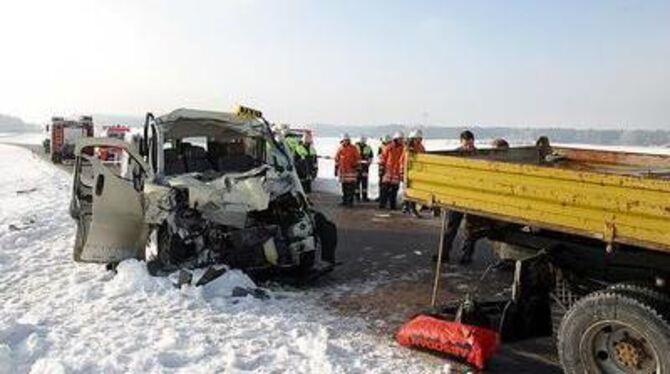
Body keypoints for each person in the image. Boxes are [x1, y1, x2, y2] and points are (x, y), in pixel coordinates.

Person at [435, 130, 477, 264]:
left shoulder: (479, 155)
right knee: (451, 227)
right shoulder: (455, 155)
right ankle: (444, 253)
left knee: (470, 228)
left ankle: (466, 255)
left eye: (471, 144)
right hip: (456, 196)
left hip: (473, 197)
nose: (469, 147)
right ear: (461, 142)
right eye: (466, 145)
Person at [379, 131, 405, 210]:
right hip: (388, 172)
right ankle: (382, 205)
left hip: (396, 173)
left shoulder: (403, 149)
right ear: (396, 139)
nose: (401, 140)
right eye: (400, 139)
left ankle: (392, 205)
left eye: (402, 139)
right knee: (384, 190)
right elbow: (383, 158)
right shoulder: (389, 147)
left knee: (394, 191)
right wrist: (381, 169)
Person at [403, 130, 425, 217]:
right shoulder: (408, 148)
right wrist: (402, 171)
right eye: (417, 139)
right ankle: (409, 208)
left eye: (420, 139)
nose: (419, 141)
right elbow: (403, 160)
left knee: (414, 191)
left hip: (417, 172)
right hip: (409, 171)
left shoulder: (421, 147)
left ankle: (410, 207)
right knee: (409, 190)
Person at [334, 133, 360, 207]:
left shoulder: (353, 148)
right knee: (344, 188)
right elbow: (336, 159)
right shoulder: (340, 149)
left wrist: (356, 166)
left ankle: (350, 202)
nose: (345, 142)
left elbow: (357, 158)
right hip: (343, 172)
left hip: (351, 172)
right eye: (344, 140)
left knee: (351, 189)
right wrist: (336, 169)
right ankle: (345, 201)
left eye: (346, 140)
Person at [355, 136, 374, 202]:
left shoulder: (368, 148)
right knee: (356, 183)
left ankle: (364, 197)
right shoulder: (355, 147)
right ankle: (357, 197)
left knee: (364, 183)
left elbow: (371, 157)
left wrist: (368, 163)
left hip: (365, 168)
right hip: (357, 168)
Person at [375, 135, 391, 202]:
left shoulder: (390, 147)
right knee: (382, 183)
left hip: (388, 167)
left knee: (388, 184)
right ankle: (382, 197)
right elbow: (379, 156)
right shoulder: (381, 147)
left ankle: (385, 197)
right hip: (383, 166)